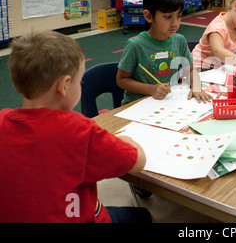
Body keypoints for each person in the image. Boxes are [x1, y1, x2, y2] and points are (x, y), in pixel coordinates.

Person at [0, 31, 151, 223]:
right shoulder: (78, 130)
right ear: (64, 86)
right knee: (143, 217)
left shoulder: (2, 121)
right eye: (79, 81)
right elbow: (137, 160)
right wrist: (127, 141)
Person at [117, 0, 212, 104]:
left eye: (179, 16)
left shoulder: (179, 41)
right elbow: (122, 80)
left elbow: (191, 70)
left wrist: (197, 87)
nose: (175, 23)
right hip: (138, 105)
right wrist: (151, 89)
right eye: (167, 17)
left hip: (166, 103)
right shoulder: (136, 45)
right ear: (148, 16)